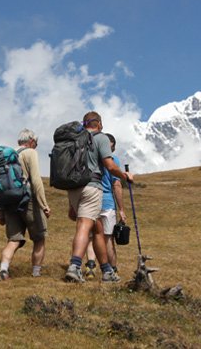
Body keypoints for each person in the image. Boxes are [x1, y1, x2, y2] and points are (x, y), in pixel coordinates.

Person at [65, 111, 133, 283]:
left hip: (74, 188)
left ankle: (106, 270)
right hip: (92, 187)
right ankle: (74, 266)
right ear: (99, 123)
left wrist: (70, 204)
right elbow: (109, 165)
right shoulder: (100, 138)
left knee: (97, 229)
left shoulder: (74, 140)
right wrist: (124, 175)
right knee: (85, 224)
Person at [0, 129, 51, 281]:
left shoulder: (6, 156)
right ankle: (36, 274)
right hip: (28, 201)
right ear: (31, 141)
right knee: (39, 238)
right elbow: (36, 180)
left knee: (14, 240)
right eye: (36, 144)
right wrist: (44, 204)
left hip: (8, 203)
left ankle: (3, 270)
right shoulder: (30, 153)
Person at [84, 133, 127, 280]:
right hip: (107, 203)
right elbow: (117, 185)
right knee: (108, 238)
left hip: (91, 200)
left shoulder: (91, 159)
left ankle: (90, 266)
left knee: (91, 236)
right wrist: (121, 209)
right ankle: (112, 270)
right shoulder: (113, 161)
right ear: (112, 146)